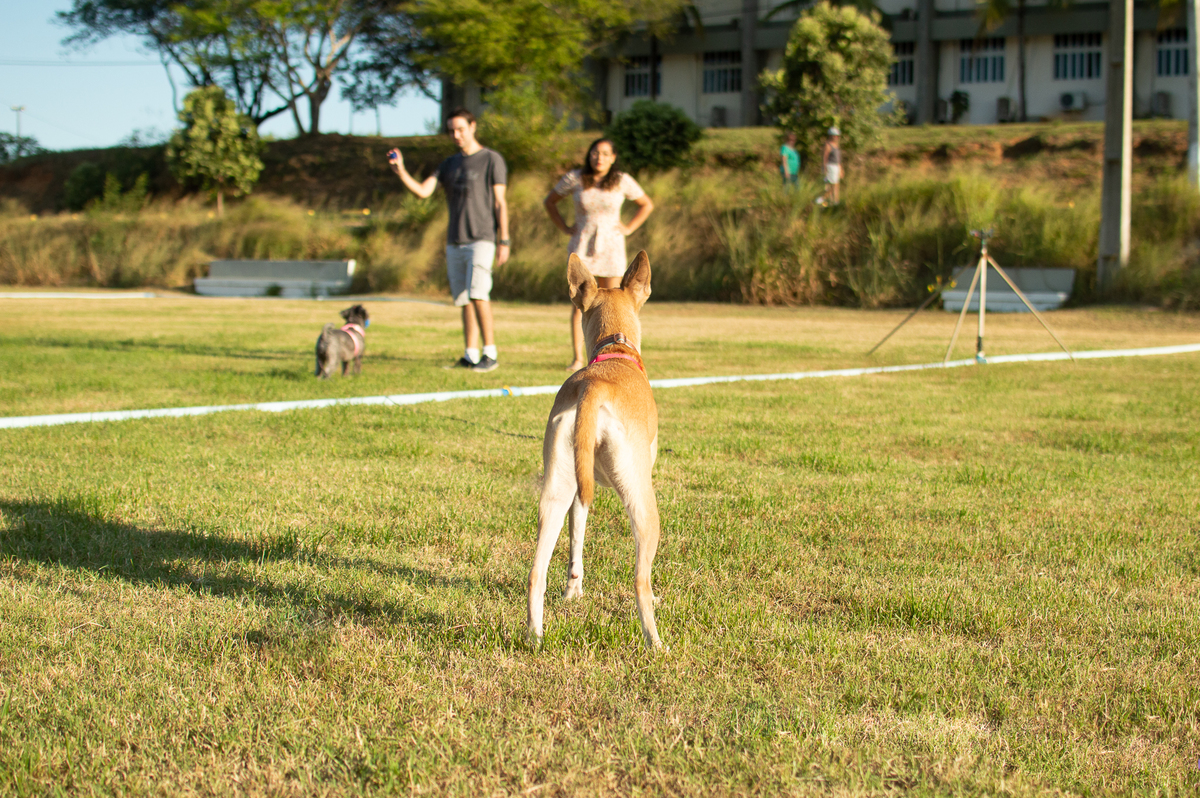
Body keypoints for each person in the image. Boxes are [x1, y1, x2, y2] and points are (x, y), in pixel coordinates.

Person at [387, 108, 509, 372]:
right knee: (464, 298)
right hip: (455, 239)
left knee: (478, 294)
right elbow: (423, 191)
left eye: (461, 129)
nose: (456, 135)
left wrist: (504, 240)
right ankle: (470, 355)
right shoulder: (448, 164)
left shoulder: (491, 159)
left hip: (482, 238)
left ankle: (490, 354)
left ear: (473, 126)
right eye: (452, 130)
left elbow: (500, 203)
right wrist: (401, 171)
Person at [544, 138, 654, 371]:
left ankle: (614, 354)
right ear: (589, 155)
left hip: (612, 245)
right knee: (581, 303)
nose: (599, 157)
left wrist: (629, 228)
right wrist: (564, 227)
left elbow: (646, 204)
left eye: (605, 154)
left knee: (616, 302)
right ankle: (578, 359)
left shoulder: (622, 180)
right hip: (583, 244)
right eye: (595, 153)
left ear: (613, 157)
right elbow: (550, 201)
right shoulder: (575, 178)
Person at [818, 126, 842, 207]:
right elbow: (825, 157)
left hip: (836, 167)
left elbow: (838, 159)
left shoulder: (836, 145)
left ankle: (834, 202)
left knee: (836, 185)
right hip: (830, 166)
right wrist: (824, 168)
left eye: (837, 135)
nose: (835, 137)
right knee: (831, 186)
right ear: (830, 136)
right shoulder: (828, 145)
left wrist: (841, 169)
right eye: (833, 135)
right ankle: (820, 200)